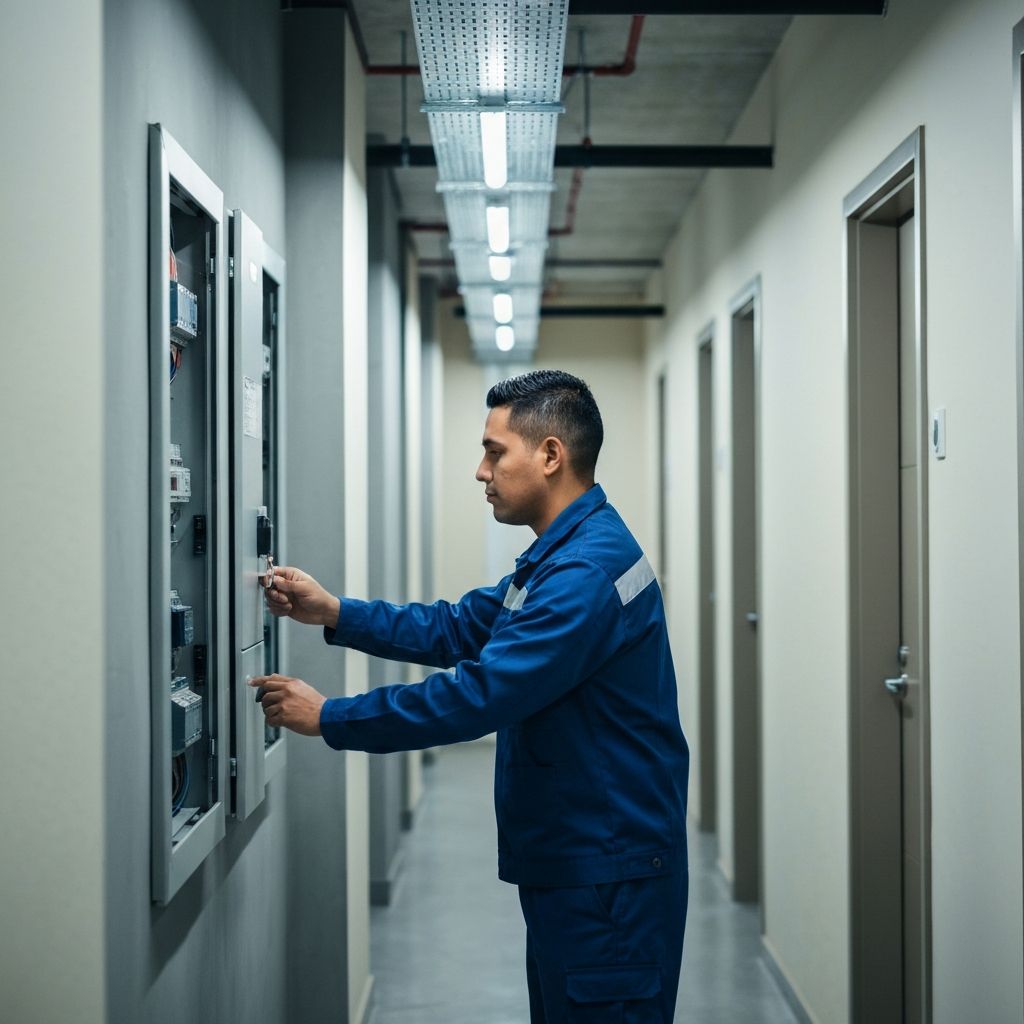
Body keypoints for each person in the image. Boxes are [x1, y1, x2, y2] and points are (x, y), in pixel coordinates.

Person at [252, 369, 689, 1023]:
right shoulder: (564, 553)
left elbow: (480, 696)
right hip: (584, 861)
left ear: (550, 455)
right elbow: (458, 627)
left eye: (494, 452)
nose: (481, 472)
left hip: (608, 878)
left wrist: (331, 716)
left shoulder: (583, 573)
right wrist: (335, 612)